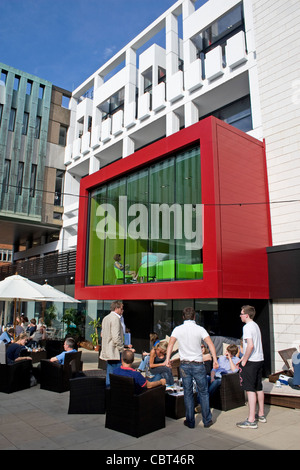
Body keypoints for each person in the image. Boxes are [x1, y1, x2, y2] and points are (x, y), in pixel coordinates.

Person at [166, 307, 218, 429]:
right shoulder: (200, 329)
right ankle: (207, 420)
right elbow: (210, 344)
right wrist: (215, 360)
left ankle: (190, 421)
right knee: (203, 392)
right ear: (195, 317)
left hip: (184, 365)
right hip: (198, 364)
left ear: (183, 317)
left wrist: (167, 359)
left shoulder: (178, 329)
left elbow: (170, 344)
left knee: (188, 393)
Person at [236, 305, 265, 429]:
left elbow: (250, 345)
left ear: (246, 315)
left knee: (250, 389)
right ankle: (261, 414)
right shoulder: (255, 325)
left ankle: (251, 420)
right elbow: (257, 344)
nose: (240, 316)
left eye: (242, 313)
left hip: (252, 362)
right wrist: (243, 358)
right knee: (258, 387)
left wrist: (245, 360)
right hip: (259, 359)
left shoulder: (247, 327)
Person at [100, 300, 128, 386]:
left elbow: (102, 334)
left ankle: (108, 389)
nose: (122, 311)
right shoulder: (115, 319)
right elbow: (116, 337)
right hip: (114, 351)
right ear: (116, 308)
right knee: (116, 373)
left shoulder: (106, 318)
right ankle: (113, 390)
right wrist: (122, 349)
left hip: (107, 350)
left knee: (110, 371)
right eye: (122, 309)